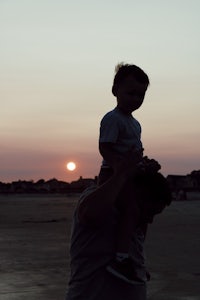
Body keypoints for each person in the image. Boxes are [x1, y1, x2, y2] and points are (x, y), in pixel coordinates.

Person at [98, 63, 164, 283]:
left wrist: (144, 164)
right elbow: (105, 148)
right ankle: (120, 259)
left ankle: (133, 254)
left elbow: (133, 152)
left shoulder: (134, 123)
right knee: (132, 210)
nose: (136, 98)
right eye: (131, 93)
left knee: (142, 214)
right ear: (115, 90)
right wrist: (120, 168)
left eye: (141, 95)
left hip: (129, 174)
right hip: (114, 175)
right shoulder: (112, 118)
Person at [65, 153, 160, 300]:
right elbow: (89, 213)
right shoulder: (97, 200)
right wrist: (122, 173)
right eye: (148, 212)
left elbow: (138, 244)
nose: (150, 219)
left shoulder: (132, 218)